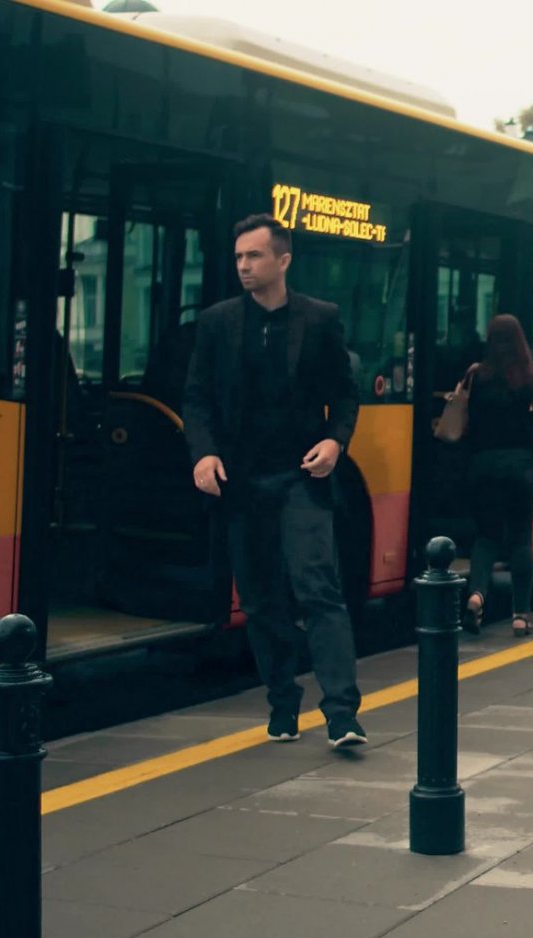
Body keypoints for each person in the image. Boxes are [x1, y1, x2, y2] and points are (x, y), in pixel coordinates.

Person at [183, 215, 364, 748]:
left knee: (318, 587)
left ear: (282, 260)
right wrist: (204, 454)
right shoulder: (217, 322)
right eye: (238, 257)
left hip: (300, 477)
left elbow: (346, 394)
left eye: (254, 256)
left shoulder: (320, 318)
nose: (243, 265)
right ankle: (283, 702)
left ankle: (342, 713)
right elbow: (195, 397)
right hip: (241, 481)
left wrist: (336, 441)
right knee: (260, 600)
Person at [458, 314, 533, 638]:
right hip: (520, 468)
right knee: (520, 538)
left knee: (486, 537)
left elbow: (460, 416)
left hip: (482, 467)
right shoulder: (529, 377)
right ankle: (521, 615)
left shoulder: (476, 375)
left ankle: (476, 595)